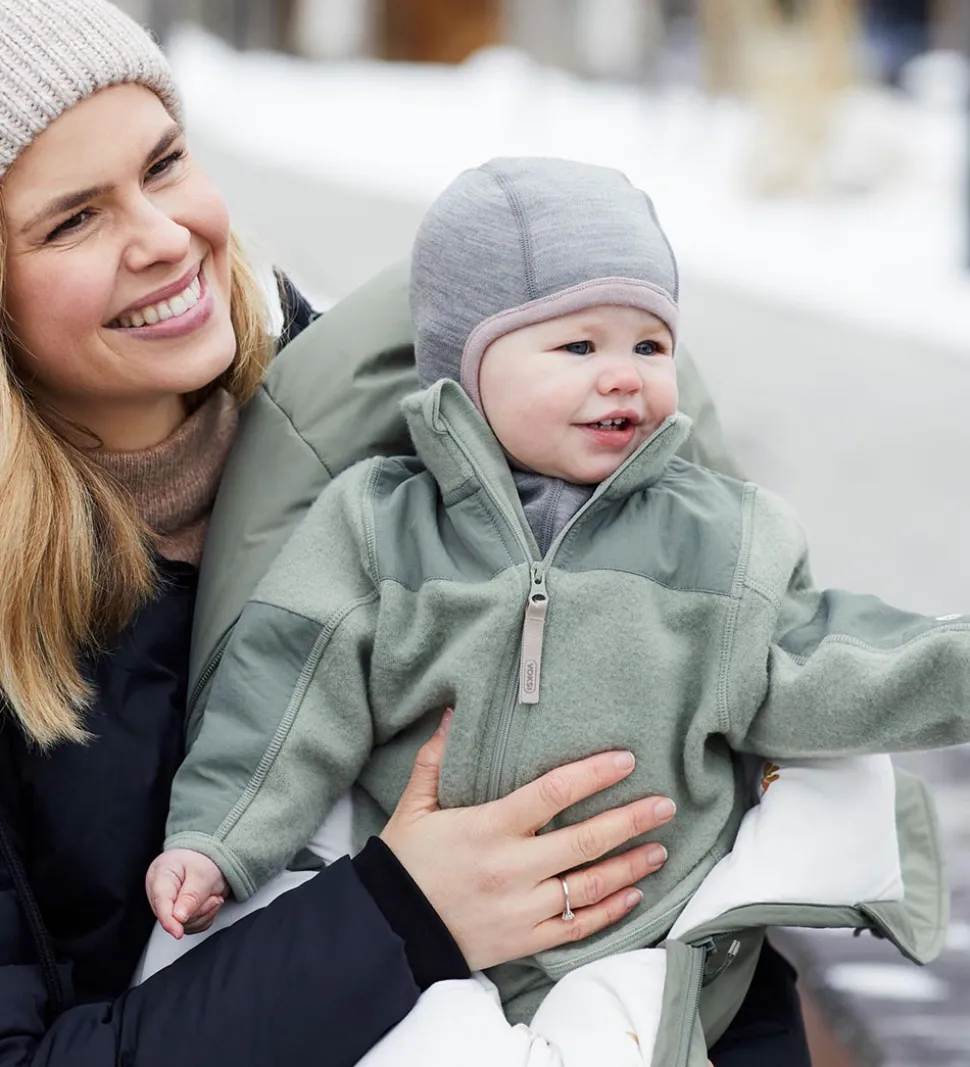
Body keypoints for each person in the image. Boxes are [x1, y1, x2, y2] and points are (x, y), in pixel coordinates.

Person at [0, 5, 749, 1066]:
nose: (163, 236)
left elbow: (712, 872)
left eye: (164, 164)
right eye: (72, 220)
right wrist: (396, 919)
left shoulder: (426, 435)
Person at [146, 157, 955, 1063]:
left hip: (642, 941)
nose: (624, 376)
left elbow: (831, 656)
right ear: (467, 367)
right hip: (424, 951)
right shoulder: (379, 529)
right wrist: (217, 843)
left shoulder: (724, 544)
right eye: (579, 347)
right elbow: (283, 698)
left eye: (650, 346)